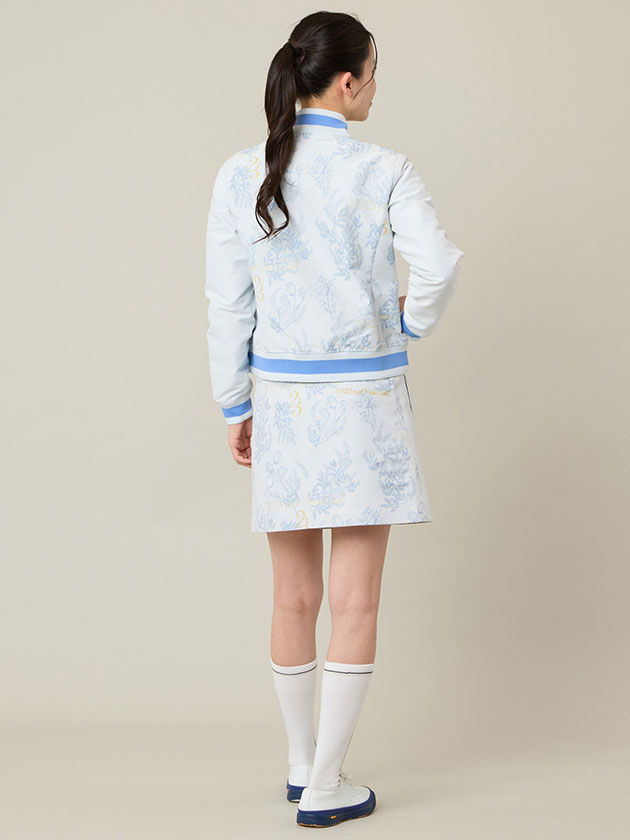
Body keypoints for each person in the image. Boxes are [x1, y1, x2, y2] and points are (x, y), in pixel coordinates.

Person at [204, 10, 464, 828]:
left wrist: (234, 402)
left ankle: (298, 764)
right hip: (365, 406)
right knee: (355, 601)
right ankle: (327, 783)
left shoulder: (241, 172)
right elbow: (438, 264)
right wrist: (409, 320)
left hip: (281, 400)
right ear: (347, 82)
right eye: (374, 74)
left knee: (293, 596)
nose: (376, 90)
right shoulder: (384, 169)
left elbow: (226, 304)